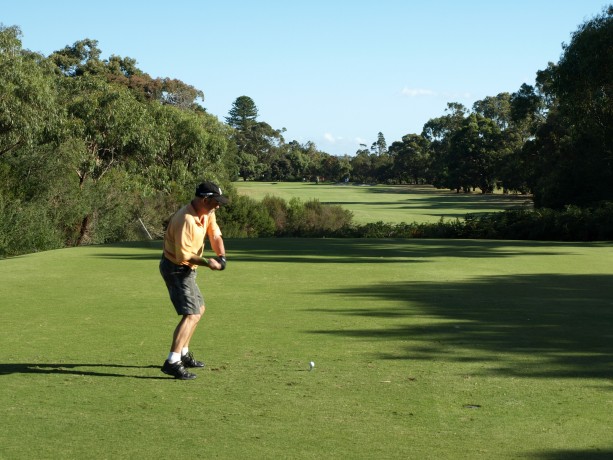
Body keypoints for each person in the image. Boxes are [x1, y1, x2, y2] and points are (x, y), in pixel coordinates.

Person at [159, 181, 229, 380]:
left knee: (200, 310)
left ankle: (183, 353)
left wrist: (221, 256)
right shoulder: (186, 220)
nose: (218, 206)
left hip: (188, 269)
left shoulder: (208, 212)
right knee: (191, 313)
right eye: (215, 202)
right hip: (176, 268)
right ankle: (172, 361)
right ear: (204, 199)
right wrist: (209, 262)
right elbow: (183, 255)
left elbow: (214, 234)